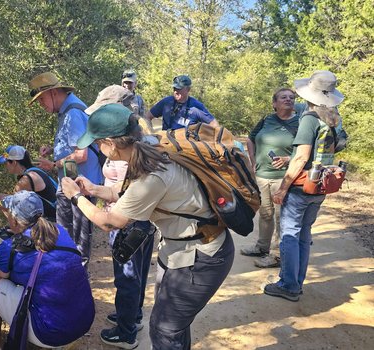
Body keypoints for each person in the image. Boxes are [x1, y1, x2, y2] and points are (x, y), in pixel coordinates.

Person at [61, 104, 234, 349]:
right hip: (182, 252)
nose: (97, 148)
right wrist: (93, 189)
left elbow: (110, 221)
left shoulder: (152, 174)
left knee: (165, 330)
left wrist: (75, 198)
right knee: (170, 327)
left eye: (98, 143)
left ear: (110, 143)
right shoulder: (150, 150)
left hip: (200, 257)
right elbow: (127, 195)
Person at [0, 191, 94, 350]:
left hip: (49, 333)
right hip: (82, 323)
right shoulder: (59, 231)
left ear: (14, 221)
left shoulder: (10, 246)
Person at [86, 86, 156, 348]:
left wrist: (79, 196)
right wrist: (95, 189)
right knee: (137, 271)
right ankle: (132, 315)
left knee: (126, 276)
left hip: (128, 220)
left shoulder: (127, 150)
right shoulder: (142, 138)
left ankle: (126, 332)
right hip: (143, 219)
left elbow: (123, 194)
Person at [265, 70, 344, 302]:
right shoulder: (333, 119)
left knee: (290, 235)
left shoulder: (310, 119)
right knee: (304, 235)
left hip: (301, 187)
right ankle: (296, 282)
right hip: (320, 186)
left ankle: (289, 285)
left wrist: (282, 188)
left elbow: (301, 157)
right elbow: (327, 151)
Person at [28, 71, 103, 266]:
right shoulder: (67, 111)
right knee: (65, 239)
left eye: (41, 99)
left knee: (77, 245)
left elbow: (81, 154)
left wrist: (53, 165)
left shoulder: (73, 114)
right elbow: (74, 145)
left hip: (81, 188)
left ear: (53, 93)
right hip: (71, 185)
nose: (41, 104)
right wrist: (54, 149)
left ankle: (77, 285)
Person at [241, 88, 299, 268]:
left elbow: (306, 150)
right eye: (283, 97)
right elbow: (250, 138)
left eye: (291, 97)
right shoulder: (267, 119)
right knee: (265, 213)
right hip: (262, 176)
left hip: (284, 178)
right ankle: (262, 247)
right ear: (274, 103)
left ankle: (277, 255)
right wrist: (252, 159)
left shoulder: (300, 123)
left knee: (282, 217)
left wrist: (287, 159)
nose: (288, 100)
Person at [0, 144, 57, 221]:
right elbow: (13, 198)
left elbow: (11, 206)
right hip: (58, 215)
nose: (5, 166)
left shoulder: (26, 180)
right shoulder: (35, 171)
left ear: (14, 162)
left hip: (51, 222)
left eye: (6, 162)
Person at [144, 74, 219, 131]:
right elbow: (147, 117)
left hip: (186, 146)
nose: (176, 91)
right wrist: (151, 133)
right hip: (166, 144)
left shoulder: (196, 106)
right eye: (174, 88)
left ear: (188, 89)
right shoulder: (166, 102)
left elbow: (214, 124)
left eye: (179, 89)